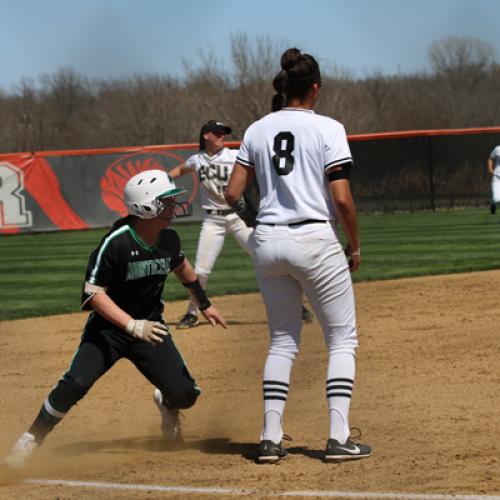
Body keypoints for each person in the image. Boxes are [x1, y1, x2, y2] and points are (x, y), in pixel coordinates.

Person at [4, 169, 227, 468]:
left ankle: (167, 403)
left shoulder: (169, 239)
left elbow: (186, 273)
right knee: (75, 383)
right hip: (109, 331)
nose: (174, 207)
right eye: (166, 202)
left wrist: (205, 305)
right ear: (146, 206)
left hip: (151, 331)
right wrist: (131, 324)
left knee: (185, 395)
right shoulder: (117, 242)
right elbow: (93, 293)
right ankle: (30, 440)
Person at [225, 48, 372, 463]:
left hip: (267, 241)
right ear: (315, 88)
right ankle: (339, 437)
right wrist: (355, 244)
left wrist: (260, 221)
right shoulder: (328, 128)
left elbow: (233, 193)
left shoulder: (257, 129)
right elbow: (341, 199)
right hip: (313, 237)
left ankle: (270, 438)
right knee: (342, 337)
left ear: (284, 87)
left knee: (282, 340)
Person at [169, 120, 314, 329]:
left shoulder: (233, 155)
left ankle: (294, 305)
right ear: (206, 136)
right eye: (217, 133)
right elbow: (178, 171)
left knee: (267, 257)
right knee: (201, 270)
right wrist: (162, 180)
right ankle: (192, 313)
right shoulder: (196, 160)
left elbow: (262, 163)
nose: (222, 136)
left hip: (238, 218)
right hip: (213, 221)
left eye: (224, 133)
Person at [488, 145, 500, 215]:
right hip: (497, 177)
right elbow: (491, 158)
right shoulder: (498, 148)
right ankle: (493, 203)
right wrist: (490, 169)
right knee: (497, 199)